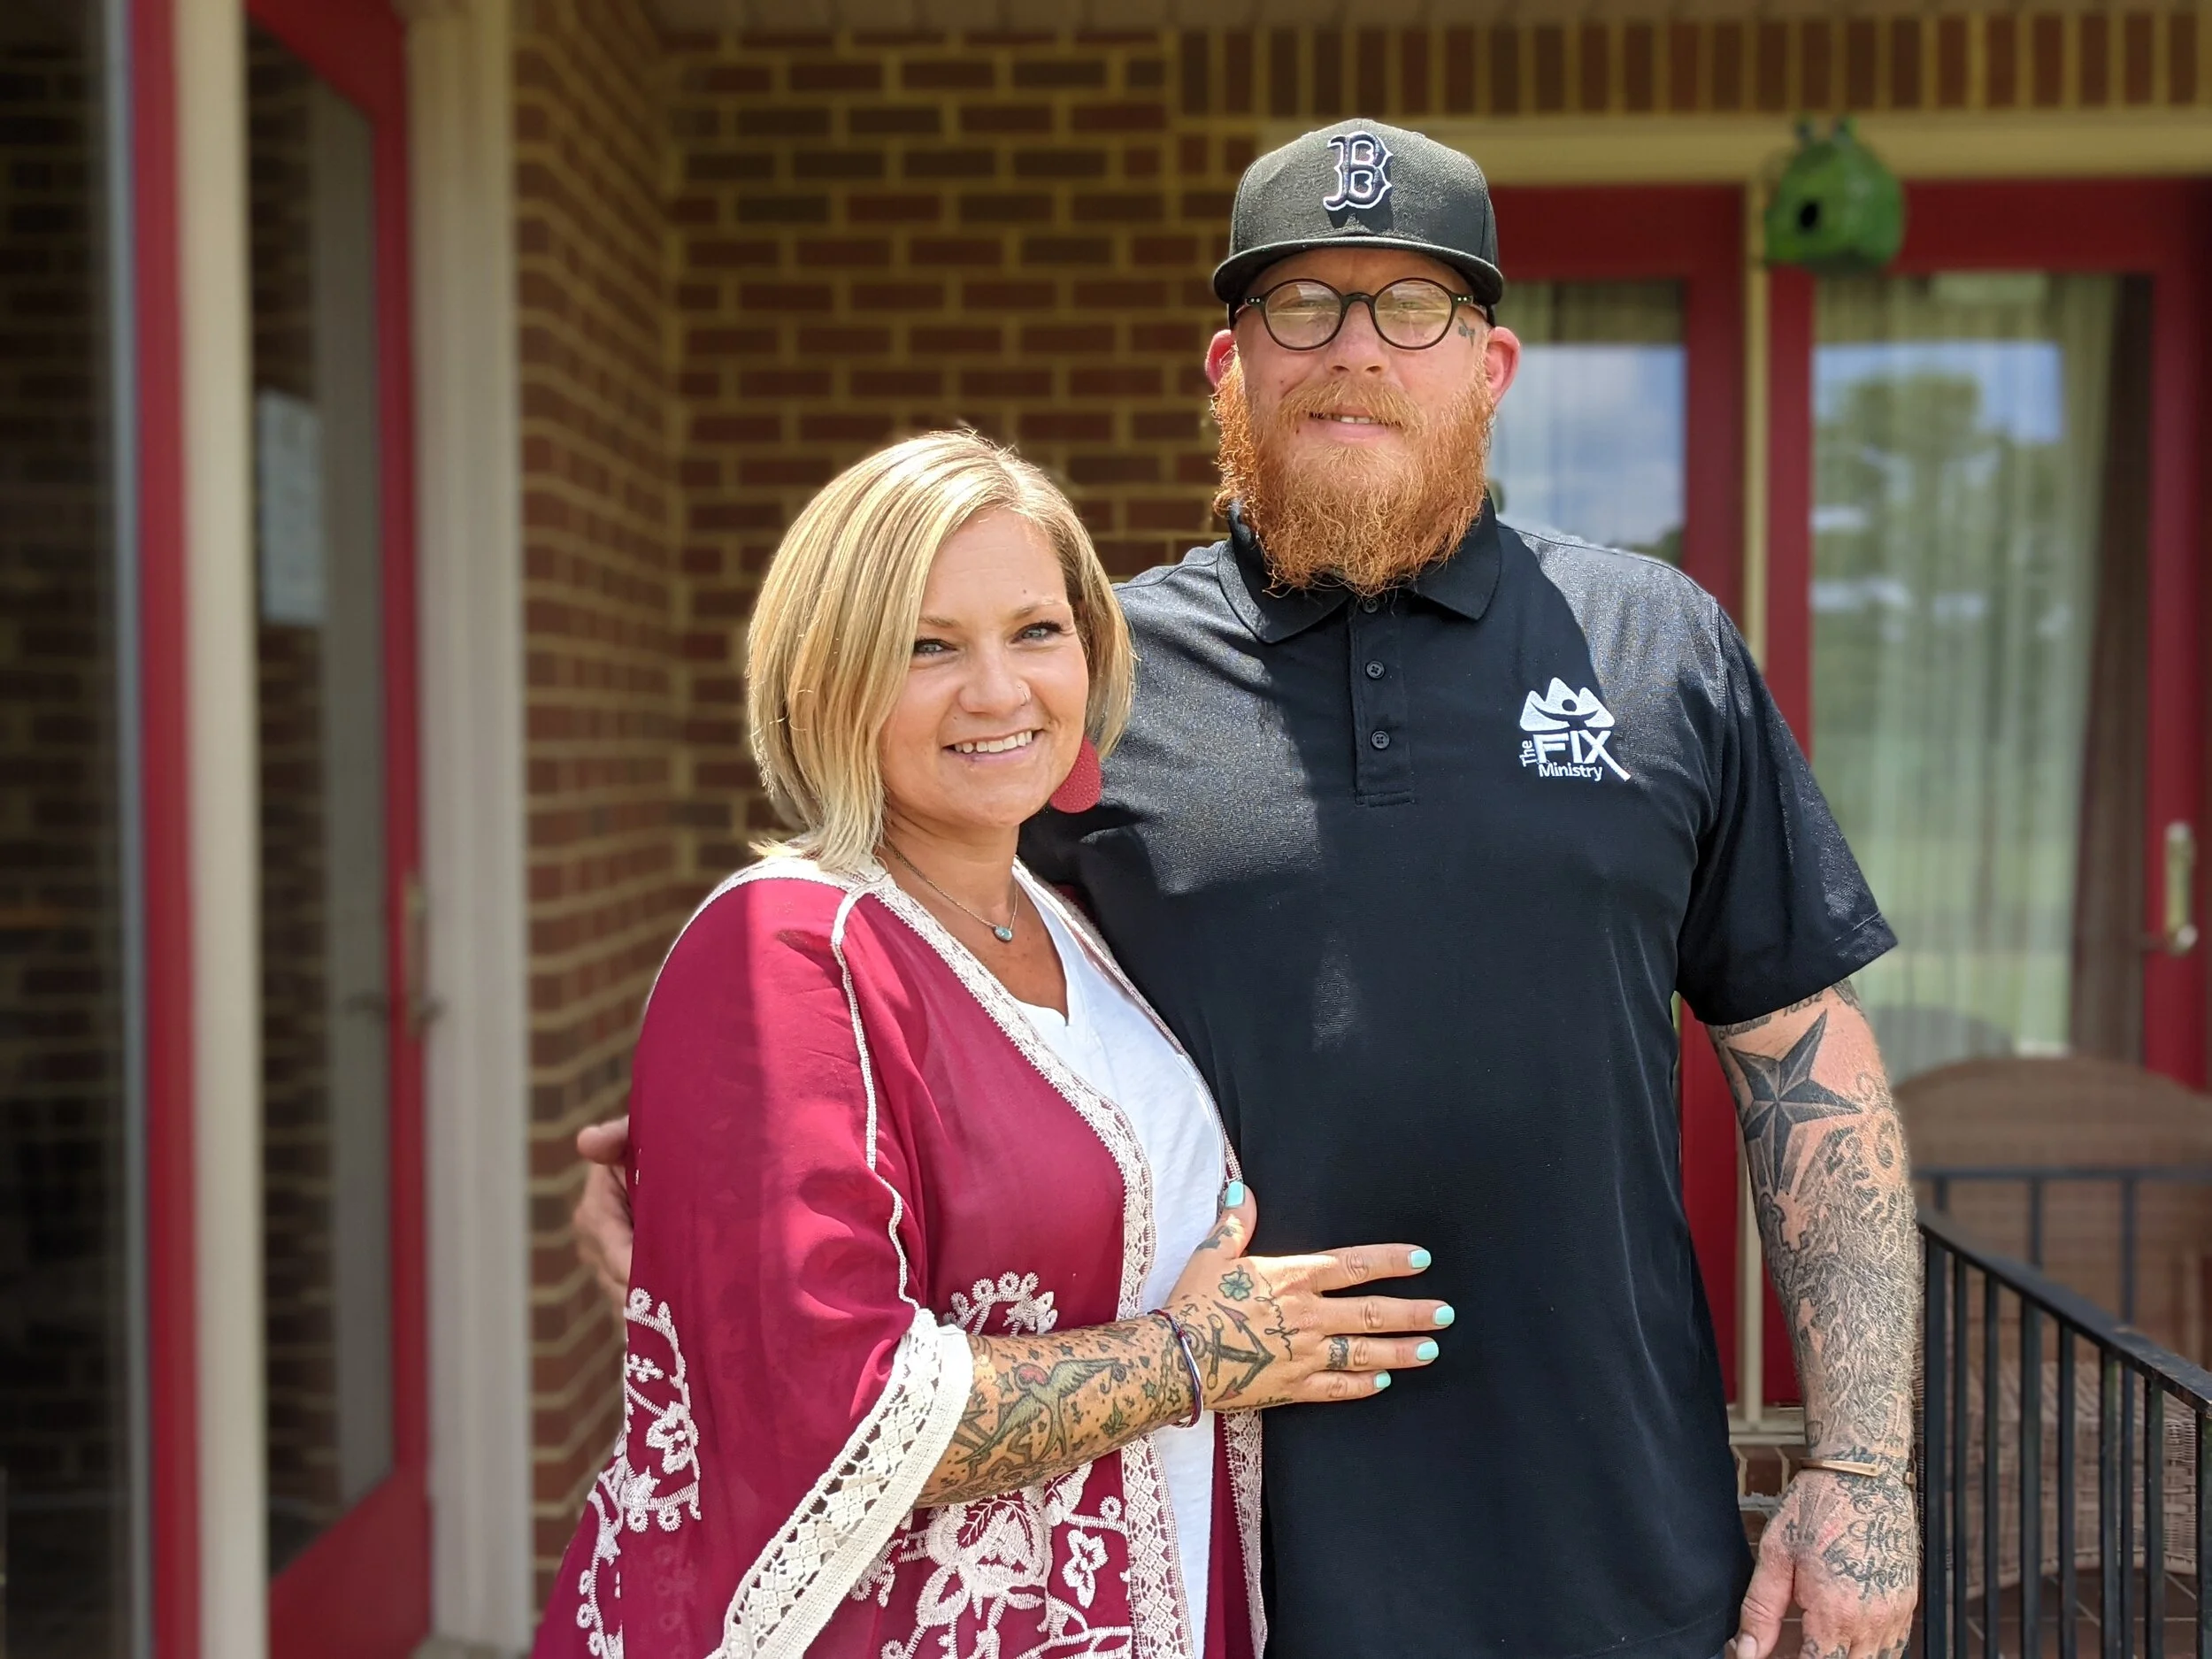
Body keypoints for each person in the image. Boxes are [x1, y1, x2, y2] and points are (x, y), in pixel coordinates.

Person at [576, 121, 1921, 1659]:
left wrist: (1864, 1465)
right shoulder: (1098, 683)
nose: (1356, 351)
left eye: (1411, 305)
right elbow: (911, 956)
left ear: (1491, 369)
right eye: (1303, 308)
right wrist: (718, 1177)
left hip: (1615, 1542)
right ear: (1229, 368)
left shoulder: (1656, 645)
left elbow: (1805, 1061)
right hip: (1215, 1561)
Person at [534, 431, 1452, 1659]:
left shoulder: (1069, 925)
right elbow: (843, 1411)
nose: (999, 690)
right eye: (926, 646)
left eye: (1035, 631)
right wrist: (1206, 1355)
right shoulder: (789, 946)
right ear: (827, 681)